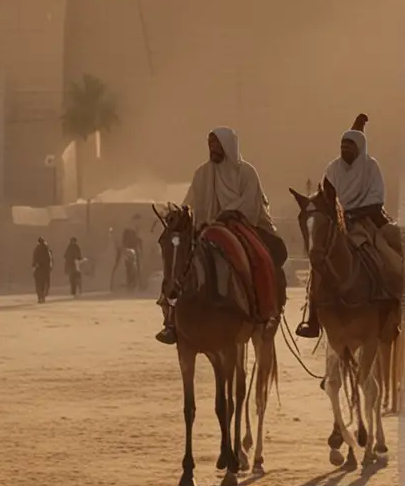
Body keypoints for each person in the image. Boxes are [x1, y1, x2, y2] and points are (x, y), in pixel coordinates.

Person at [164, 127, 285, 344]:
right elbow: (190, 202)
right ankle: (171, 318)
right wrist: (179, 214)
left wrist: (226, 216)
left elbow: (250, 204)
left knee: (259, 257)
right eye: (210, 144)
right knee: (177, 259)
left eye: (217, 144)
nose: (213, 148)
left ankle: (266, 313)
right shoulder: (201, 173)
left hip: (239, 226)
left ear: (228, 146)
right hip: (205, 230)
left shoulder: (246, 173)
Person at [303, 124, 395, 338]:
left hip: (365, 221)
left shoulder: (371, 168)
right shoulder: (332, 169)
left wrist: (352, 213)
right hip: (337, 224)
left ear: (359, 148)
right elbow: (326, 197)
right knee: (319, 263)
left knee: (387, 257)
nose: (345, 149)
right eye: (343, 145)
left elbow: (376, 199)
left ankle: (389, 308)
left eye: (350, 146)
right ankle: (313, 318)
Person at [32, 238, 53, 303]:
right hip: (45, 269)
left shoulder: (37, 249)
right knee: (44, 283)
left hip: (39, 268)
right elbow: (50, 259)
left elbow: (34, 258)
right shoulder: (47, 250)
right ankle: (43, 296)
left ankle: (40, 297)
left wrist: (34, 265)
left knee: (38, 284)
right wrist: (50, 267)